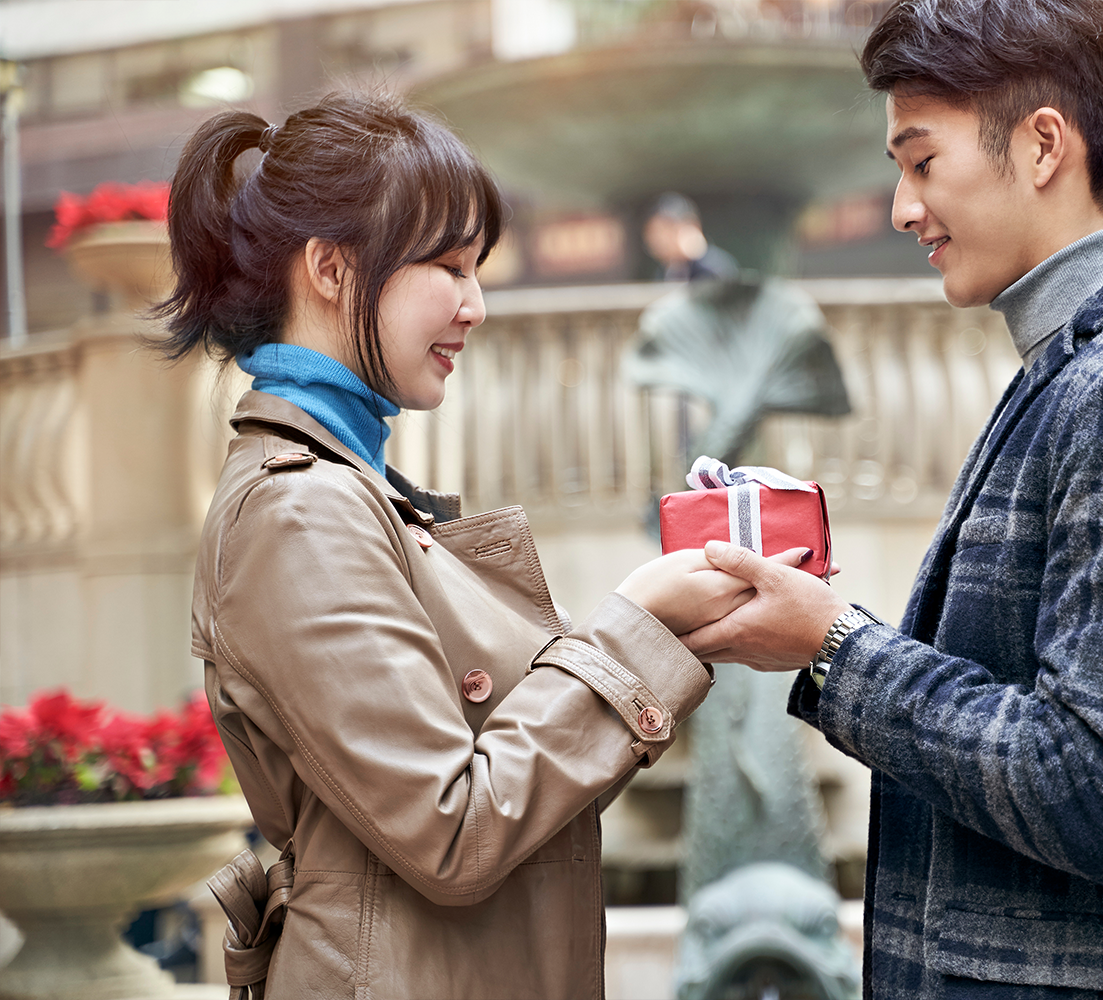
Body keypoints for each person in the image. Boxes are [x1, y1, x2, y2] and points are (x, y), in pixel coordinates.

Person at [680, 1, 1103, 997]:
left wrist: (834, 644)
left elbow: (1100, 794)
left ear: (1043, 145)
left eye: (921, 162)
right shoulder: (1080, 370)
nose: (901, 207)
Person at [157, 92, 765, 998]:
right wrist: (636, 625)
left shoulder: (354, 489)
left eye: (477, 269)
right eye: (448, 266)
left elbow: (536, 799)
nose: (475, 306)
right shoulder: (301, 514)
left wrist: (662, 629)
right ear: (328, 267)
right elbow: (454, 829)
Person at [642, 192, 739, 281]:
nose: (660, 239)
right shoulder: (664, 273)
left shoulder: (715, 267)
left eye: (666, 229)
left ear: (691, 225)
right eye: (654, 233)